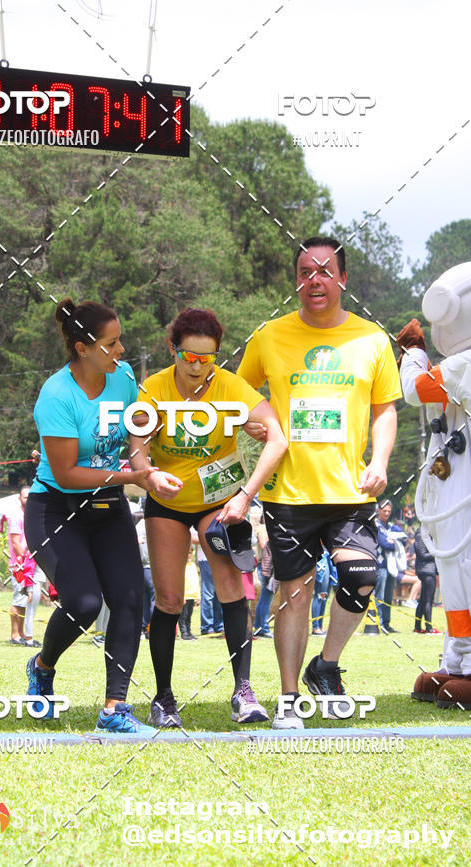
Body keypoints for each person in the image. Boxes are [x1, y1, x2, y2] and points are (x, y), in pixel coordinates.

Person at [237, 236, 401, 728]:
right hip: (289, 491)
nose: (315, 281)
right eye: (305, 272)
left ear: (342, 279)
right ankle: (290, 698)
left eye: (325, 271)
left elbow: (385, 410)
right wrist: (257, 420)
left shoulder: (372, 339)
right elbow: (239, 393)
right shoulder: (269, 335)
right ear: (296, 281)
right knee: (295, 592)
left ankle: (325, 666)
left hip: (350, 489)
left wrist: (380, 461)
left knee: (361, 575)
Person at [129, 307, 288, 726]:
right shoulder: (153, 388)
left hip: (220, 499)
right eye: (189, 356)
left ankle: (243, 692)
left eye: (207, 358)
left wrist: (246, 496)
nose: (198, 366)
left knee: (232, 588)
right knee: (169, 598)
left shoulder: (231, 387)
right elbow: (136, 448)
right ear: (173, 349)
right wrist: (149, 475)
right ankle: (163, 698)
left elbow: (278, 438)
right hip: (167, 501)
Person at [23, 298, 158, 732]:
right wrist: (132, 476)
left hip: (107, 506)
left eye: (120, 341)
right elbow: (66, 474)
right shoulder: (56, 395)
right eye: (111, 343)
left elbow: (137, 433)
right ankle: (42, 666)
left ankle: (114, 710)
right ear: (82, 348)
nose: (121, 350)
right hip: (56, 509)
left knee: (130, 600)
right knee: (83, 603)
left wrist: (144, 466)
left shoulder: (124, 379)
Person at [398, 261, 471, 707]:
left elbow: (416, 388)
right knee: (454, 577)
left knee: (465, 573)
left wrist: (413, 352)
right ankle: (456, 660)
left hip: (464, 493)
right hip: (454, 488)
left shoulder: (465, 364)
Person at [374, 500, 408, 632]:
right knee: (380, 596)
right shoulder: (375, 525)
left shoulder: (391, 527)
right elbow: (384, 544)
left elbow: (404, 538)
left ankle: (386, 624)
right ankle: (379, 623)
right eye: (384, 511)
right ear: (379, 510)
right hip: (380, 565)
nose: (387, 513)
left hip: (392, 566)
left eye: (389, 511)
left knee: (388, 596)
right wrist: (394, 542)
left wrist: (393, 541)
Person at [8, 485, 31, 645]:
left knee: (24, 600)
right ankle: (14, 634)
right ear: (19, 498)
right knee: (18, 599)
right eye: (25, 497)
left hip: (28, 564)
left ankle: (21, 632)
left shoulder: (29, 515)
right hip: (19, 564)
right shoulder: (17, 516)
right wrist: (24, 561)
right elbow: (16, 543)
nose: (27, 500)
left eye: (30, 497)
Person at [413, 526, 440, 635]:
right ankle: (429, 628)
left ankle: (417, 627)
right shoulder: (421, 534)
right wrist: (437, 552)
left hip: (428, 569)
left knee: (424, 600)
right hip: (426, 570)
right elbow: (422, 554)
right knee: (428, 600)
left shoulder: (427, 534)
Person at [253, 516, 274, 638]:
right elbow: (263, 545)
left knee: (264, 598)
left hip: (269, 566)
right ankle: (263, 628)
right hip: (266, 567)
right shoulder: (262, 529)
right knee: (266, 598)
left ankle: (259, 626)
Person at [311, 549, 337, 636]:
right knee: (320, 594)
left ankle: (320, 625)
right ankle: (315, 627)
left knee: (325, 596)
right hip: (321, 557)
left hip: (329, 557)